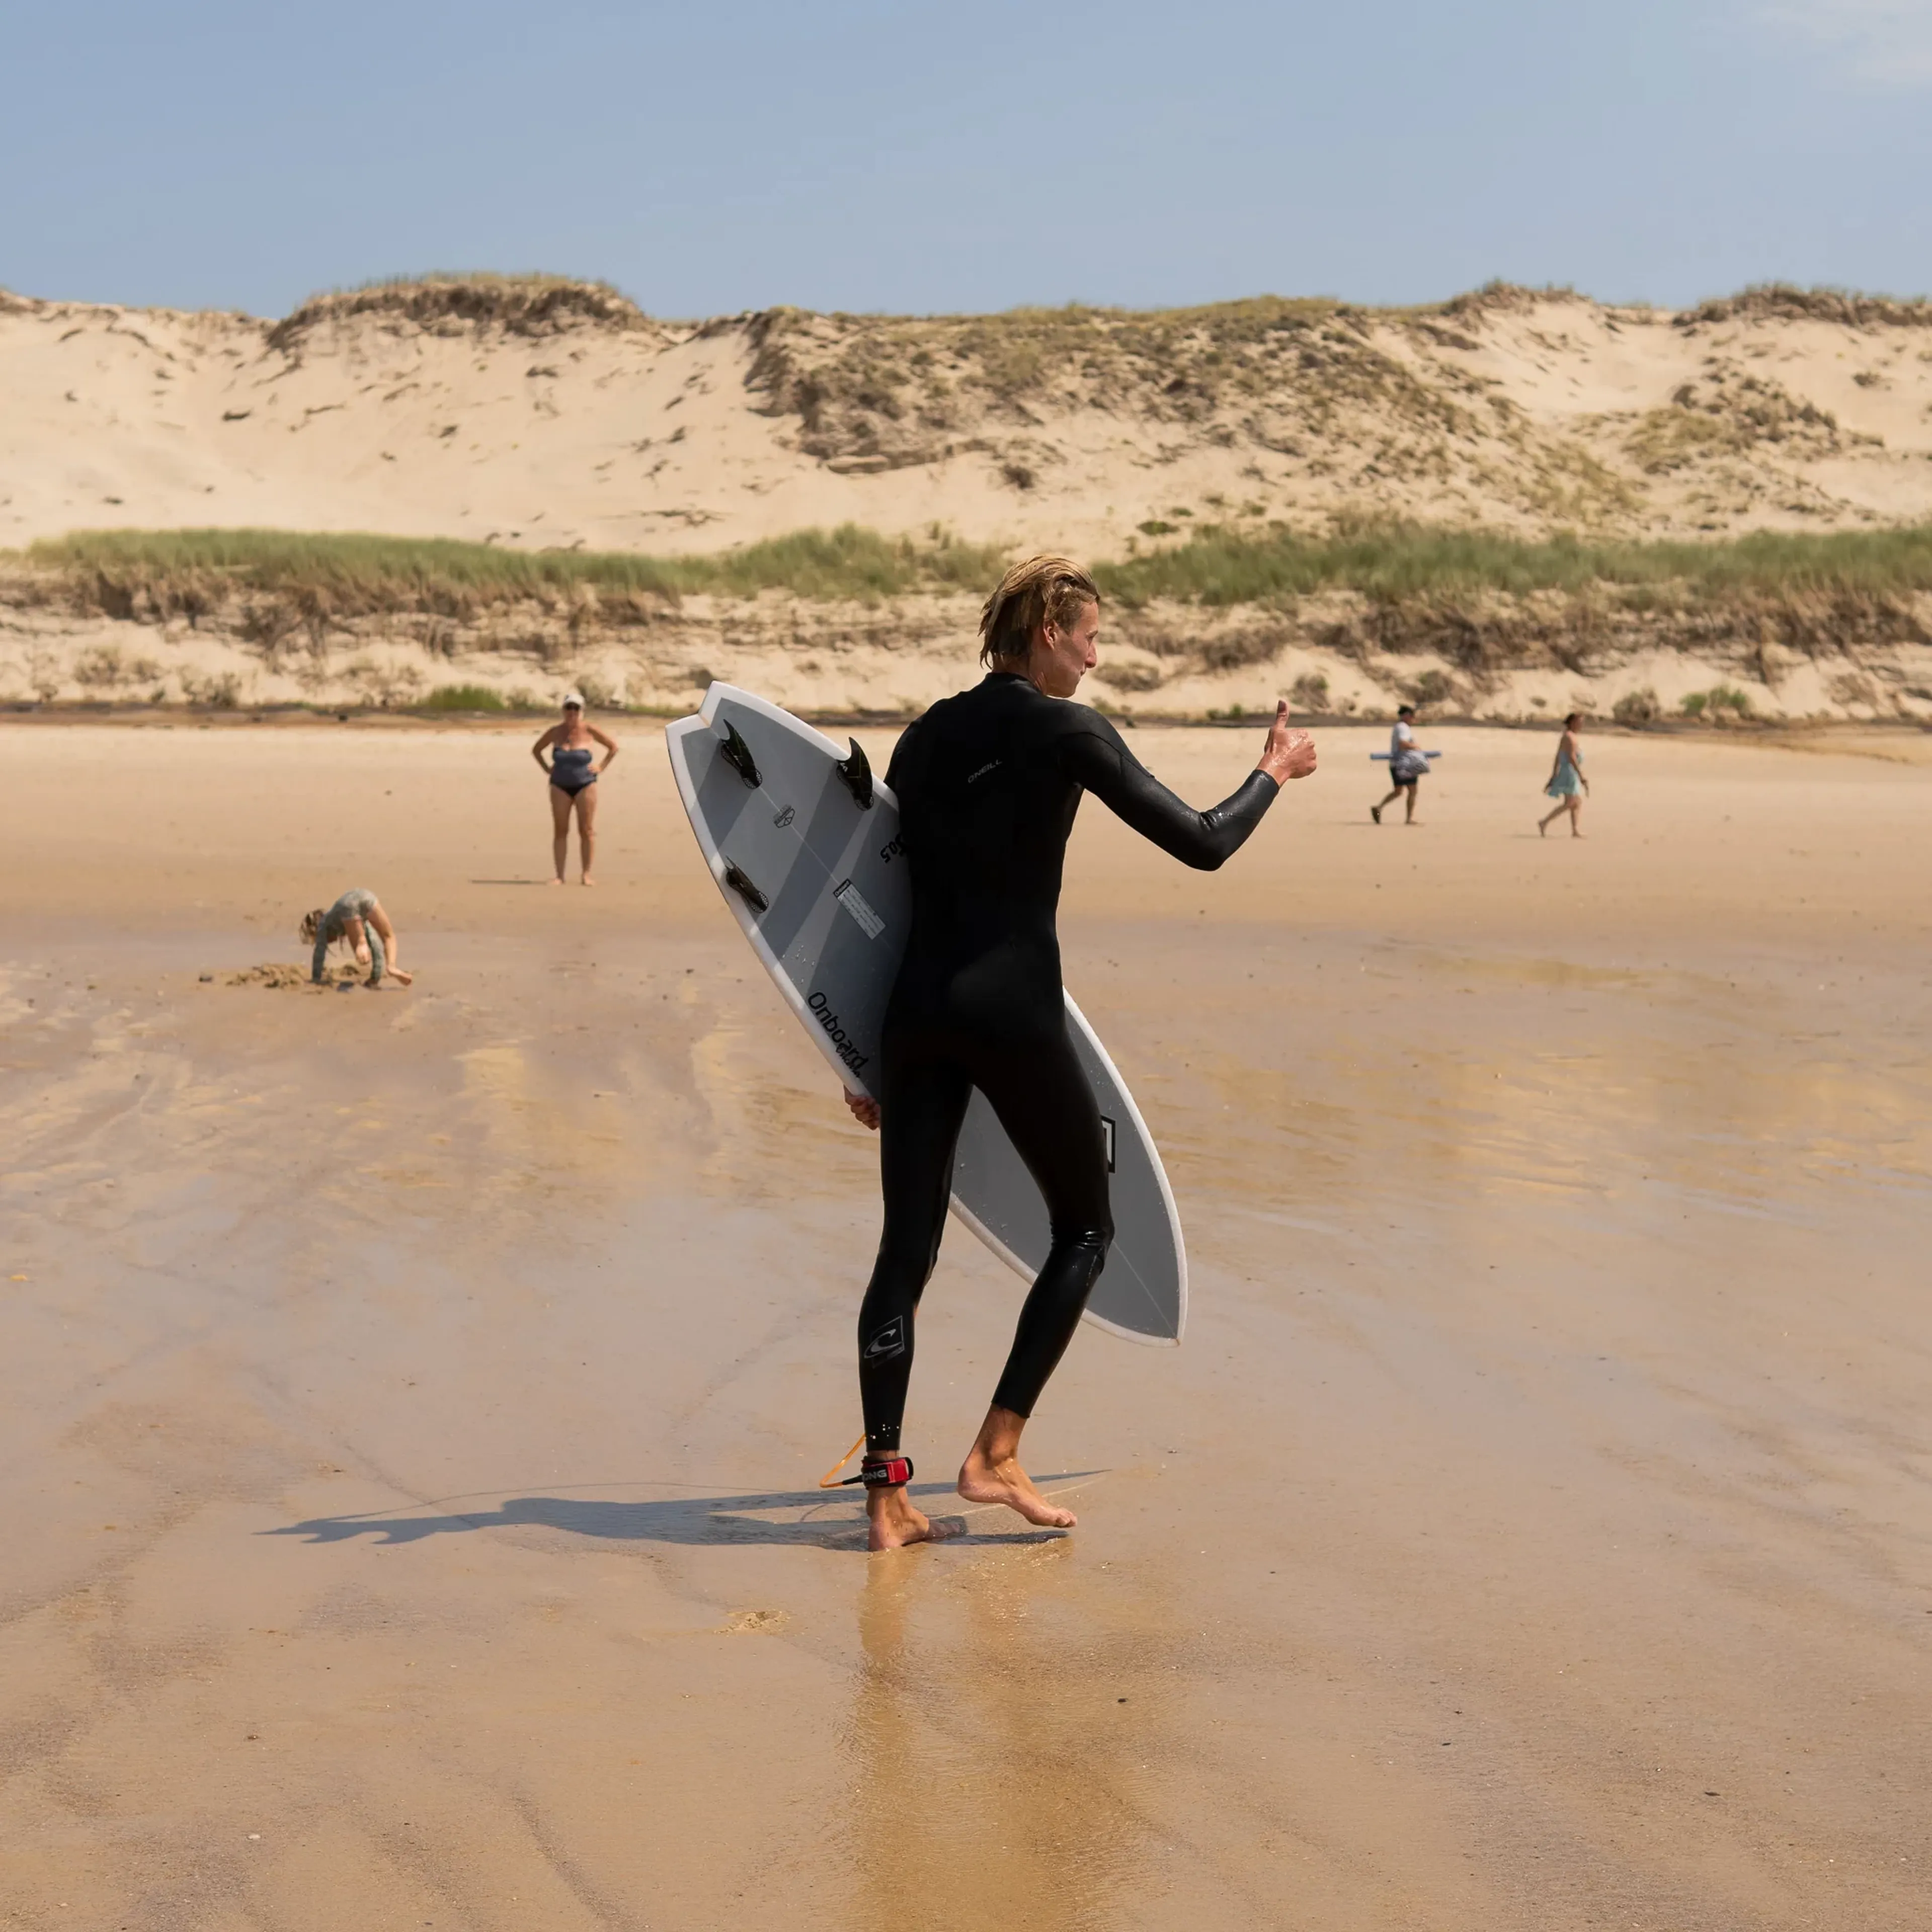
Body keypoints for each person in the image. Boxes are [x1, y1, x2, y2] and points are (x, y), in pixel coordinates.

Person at [841, 555, 1318, 1550]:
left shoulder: (924, 737)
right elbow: (1202, 842)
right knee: (1088, 1230)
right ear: (1049, 631)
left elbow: (883, 900)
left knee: (905, 1252)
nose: (1099, 655)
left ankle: (886, 1499)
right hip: (1011, 1009)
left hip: (915, 1013)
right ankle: (995, 1452)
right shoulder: (1066, 731)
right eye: (1090, 635)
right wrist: (1272, 772)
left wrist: (856, 1051)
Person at [531, 692, 619, 885]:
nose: (572, 712)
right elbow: (536, 750)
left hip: (585, 784)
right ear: (563, 710)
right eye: (569, 708)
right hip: (559, 786)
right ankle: (560, 876)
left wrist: (601, 767)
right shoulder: (555, 732)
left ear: (582, 711)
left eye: (576, 708)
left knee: (586, 830)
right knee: (561, 830)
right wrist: (547, 768)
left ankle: (586, 874)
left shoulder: (589, 730)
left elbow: (613, 747)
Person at [301, 890, 413, 988]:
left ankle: (362, 943)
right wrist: (375, 978)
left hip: (347, 905)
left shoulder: (323, 924)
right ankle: (391, 967)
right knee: (388, 936)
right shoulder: (359, 922)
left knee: (362, 951)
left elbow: (319, 955)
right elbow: (376, 947)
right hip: (368, 897)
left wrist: (316, 979)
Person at [1371, 704, 1432, 824]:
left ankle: (1379, 808)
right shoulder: (1403, 727)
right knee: (1413, 791)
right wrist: (1415, 747)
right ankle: (1409, 819)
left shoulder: (1398, 727)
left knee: (1398, 791)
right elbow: (1403, 744)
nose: (1413, 719)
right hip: (1405, 764)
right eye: (1412, 717)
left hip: (1396, 764)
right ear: (1407, 716)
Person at [1538, 712, 1589, 837]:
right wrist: (1581, 776)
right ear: (1572, 722)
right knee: (1571, 802)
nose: (1581, 725)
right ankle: (1544, 822)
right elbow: (1572, 758)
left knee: (1576, 803)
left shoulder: (1570, 736)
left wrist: (1554, 775)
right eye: (1579, 722)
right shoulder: (1569, 737)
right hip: (1570, 773)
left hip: (1570, 773)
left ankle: (1575, 830)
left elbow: (1558, 757)